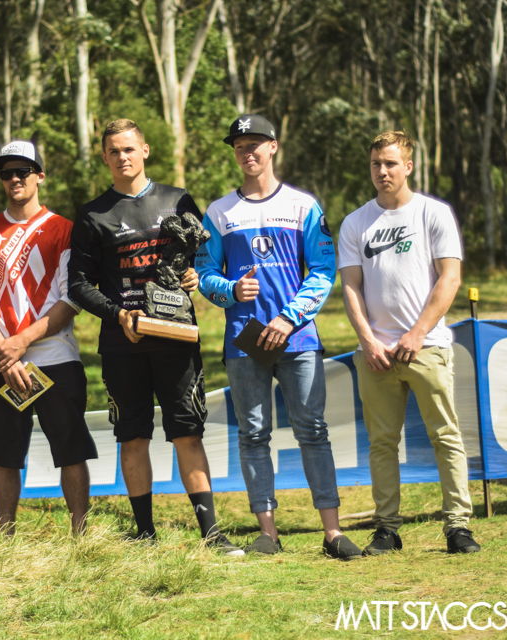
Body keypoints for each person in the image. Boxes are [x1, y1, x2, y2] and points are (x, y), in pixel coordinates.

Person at [68, 119, 243, 555]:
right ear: (105, 157)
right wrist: (117, 313)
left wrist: (192, 275)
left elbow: (204, 260)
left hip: (176, 338)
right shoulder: (92, 215)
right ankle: (144, 533)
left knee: (188, 433)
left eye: (129, 148)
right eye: (114, 151)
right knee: (133, 437)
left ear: (145, 150)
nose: (123, 157)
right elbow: (78, 284)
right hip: (122, 344)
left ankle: (211, 533)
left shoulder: (178, 199)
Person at [195, 114, 362, 560]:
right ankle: (267, 533)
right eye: (239, 145)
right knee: (252, 435)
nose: (247, 152)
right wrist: (229, 290)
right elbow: (204, 273)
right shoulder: (218, 212)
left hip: (297, 338)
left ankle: (332, 533)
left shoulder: (304, 206)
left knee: (313, 431)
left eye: (255, 144)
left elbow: (323, 271)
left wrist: (288, 319)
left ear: (273, 147)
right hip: (243, 341)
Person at [338, 130, 480, 555]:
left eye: (391, 163)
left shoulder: (433, 214)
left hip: (429, 347)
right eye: (376, 164)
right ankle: (387, 529)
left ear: (408, 166)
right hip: (376, 355)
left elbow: (450, 277)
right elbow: (350, 287)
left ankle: (458, 526)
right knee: (382, 442)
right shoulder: (355, 222)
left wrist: (416, 334)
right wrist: (367, 342)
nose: (382, 171)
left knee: (446, 436)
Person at [0, 140, 97, 536]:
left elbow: (70, 298)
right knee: (4, 455)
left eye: (23, 171)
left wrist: (20, 343)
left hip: (56, 358)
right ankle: (5, 539)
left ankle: (81, 536)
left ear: (40, 176)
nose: (15, 179)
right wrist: (5, 355)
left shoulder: (64, 230)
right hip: (1, 364)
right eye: (7, 173)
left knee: (70, 451)